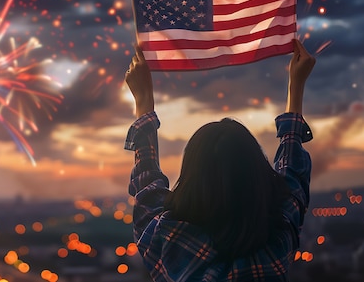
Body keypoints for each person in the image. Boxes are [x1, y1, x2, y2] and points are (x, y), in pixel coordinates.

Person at [124, 38, 316, 281]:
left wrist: (143, 99)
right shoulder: (276, 241)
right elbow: (292, 175)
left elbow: (147, 182)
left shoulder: (167, 241)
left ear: (192, 178)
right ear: (256, 178)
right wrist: (296, 85)